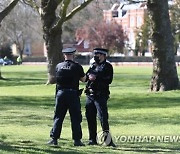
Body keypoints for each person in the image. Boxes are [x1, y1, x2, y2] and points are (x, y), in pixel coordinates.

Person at [48, 47, 86, 146]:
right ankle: (77, 140)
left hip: (60, 94)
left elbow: (56, 80)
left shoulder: (58, 66)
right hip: (72, 94)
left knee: (58, 117)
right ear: (73, 55)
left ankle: (54, 139)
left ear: (64, 55)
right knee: (75, 118)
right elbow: (83, 79)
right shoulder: (77, 66)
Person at [85, 48, 116, 147]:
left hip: (100, 95)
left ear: (103, 55)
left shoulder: (107, 67)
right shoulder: (93, 65)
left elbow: (109, 80)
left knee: (103, 117)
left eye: (97, 54)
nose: (95, 56)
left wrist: (97, 77)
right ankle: (92, 139)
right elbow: (86, 76)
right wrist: (88, 76)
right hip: (90, 95)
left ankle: (108, 140)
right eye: (94, 54)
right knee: (90, 117)